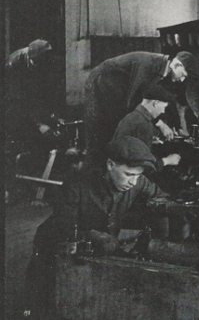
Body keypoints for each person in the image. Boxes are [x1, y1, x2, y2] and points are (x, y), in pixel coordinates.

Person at [24, 136, 168, 318]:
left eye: (138, 175)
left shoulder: (137, 181)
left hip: (97, 250)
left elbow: (163, 199)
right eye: (129, 174)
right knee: (46, 304)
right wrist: (96, 236)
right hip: (54, 247)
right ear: (110, 165)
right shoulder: (77, 183)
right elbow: (63, 226)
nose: (133, 182)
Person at [83, 51, 199, 168]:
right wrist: (160, 124)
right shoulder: (149, 64)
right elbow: (134, 100)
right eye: (183, 75)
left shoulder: (162, 71)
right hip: (100, 83)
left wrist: (171, 126)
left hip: (115, 90)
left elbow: (158, 100)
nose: (183, 79)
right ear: (177, 65)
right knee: (102, 136)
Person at [112, 84, 182, 171]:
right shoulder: (144, 124)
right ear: (155, 103)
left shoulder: (133, 116)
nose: (163, 111)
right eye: (163, 107)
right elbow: (146, 167)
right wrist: (167, 161)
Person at [5, 39, 54, 142]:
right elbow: (19, 100)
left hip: (25, 106)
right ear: (32, 57)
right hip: (12, 106)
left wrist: (51, 116)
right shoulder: (14, 64)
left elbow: (41, 93)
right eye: (39, 61)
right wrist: (39, 124)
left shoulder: (40, 63)